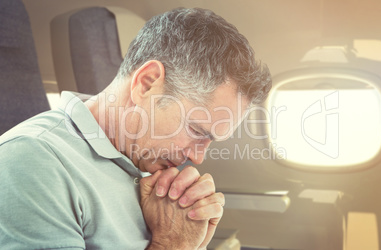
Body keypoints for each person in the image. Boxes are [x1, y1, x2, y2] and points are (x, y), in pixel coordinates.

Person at [0, 7, 271, 249]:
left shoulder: (147, 160)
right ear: (147, 83)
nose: (197, 158)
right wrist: (173, 244)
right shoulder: (32, 161)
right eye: (197, 131)